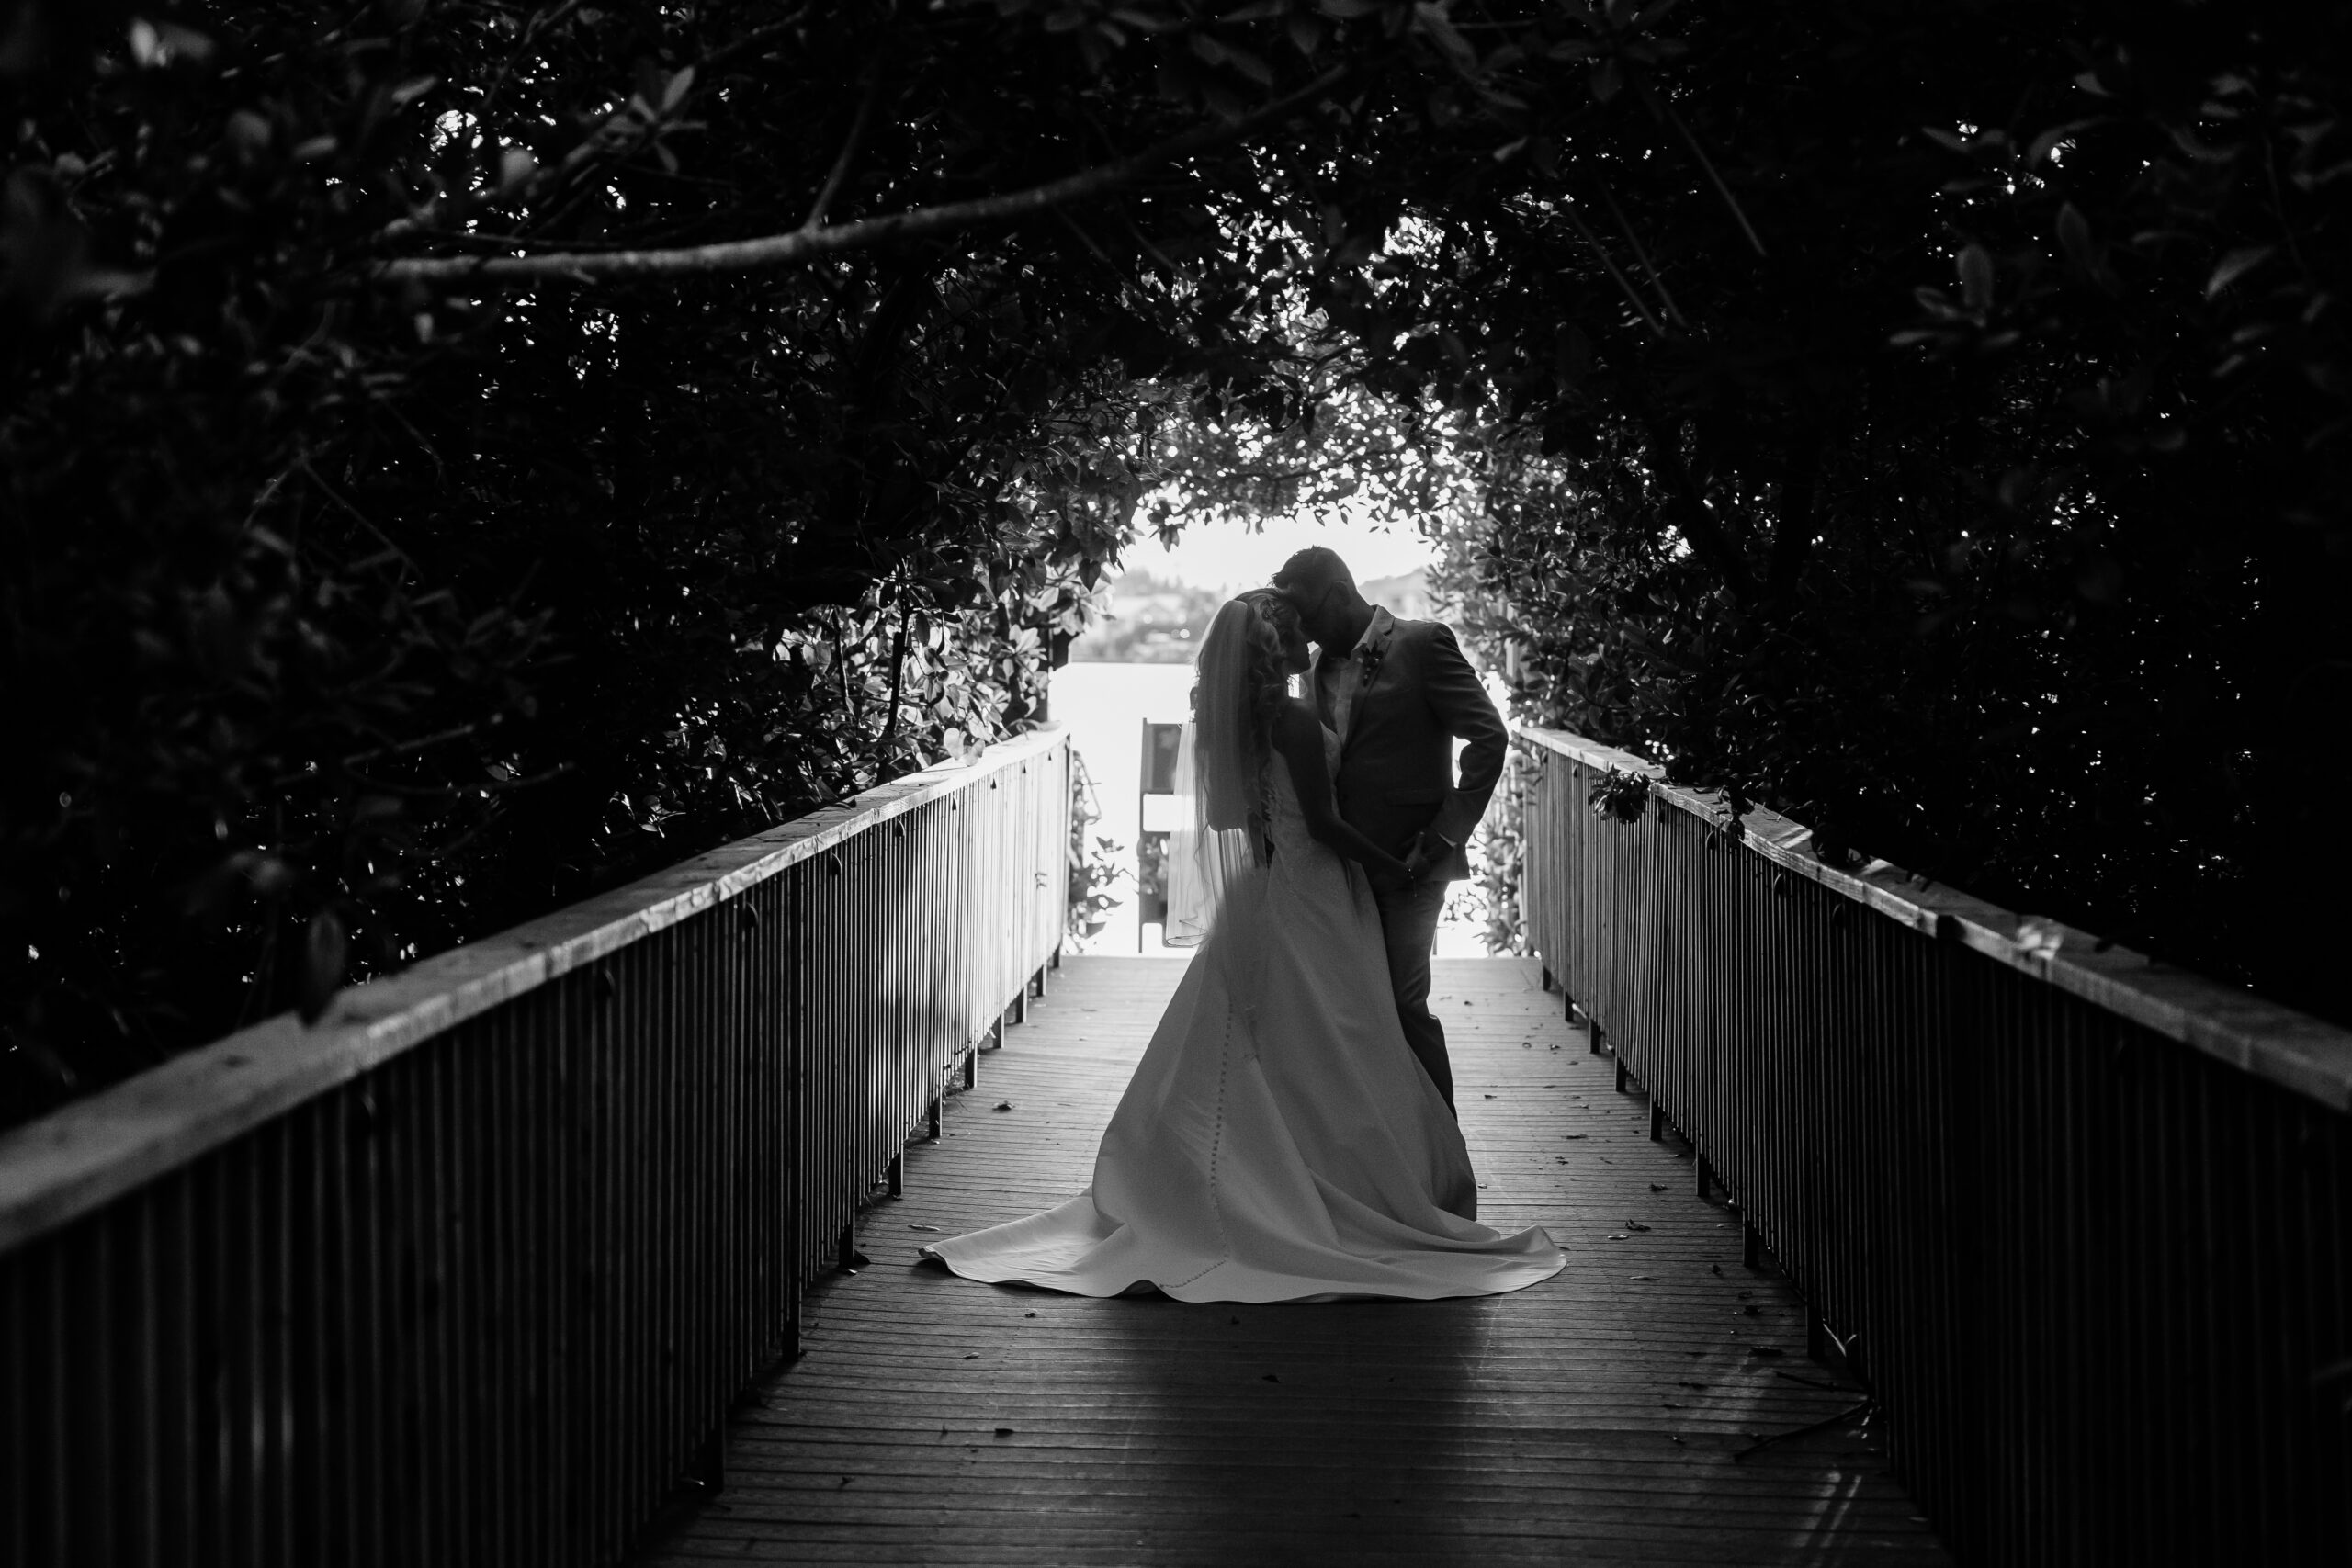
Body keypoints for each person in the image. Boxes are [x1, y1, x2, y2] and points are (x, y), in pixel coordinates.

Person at [922, 591, 1560, 1302]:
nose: (1307, 637)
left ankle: (1276, 1176)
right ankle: (1364, 1186)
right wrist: (1389, 861)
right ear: (1275, 647)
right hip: (1321, 885)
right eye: (1294, 631)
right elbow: (1321, 821)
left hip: (1267, 883)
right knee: (1344, 1033)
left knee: (1297, 1040)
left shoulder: (1244, 718)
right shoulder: (1290, 712)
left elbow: (1232, 813)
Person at [1272, 547, 1507, 1114]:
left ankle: (1444, 1157)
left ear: (1336, 593)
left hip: (1412, 861)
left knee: (1404, 1003)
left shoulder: (1423, 644)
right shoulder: (1307, 672)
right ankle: (1381, 1153)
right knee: (1349, 1011)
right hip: (1334, 867)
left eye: (1303, 611)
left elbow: (1488, 737)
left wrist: (1447, 834)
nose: (1298, 628)